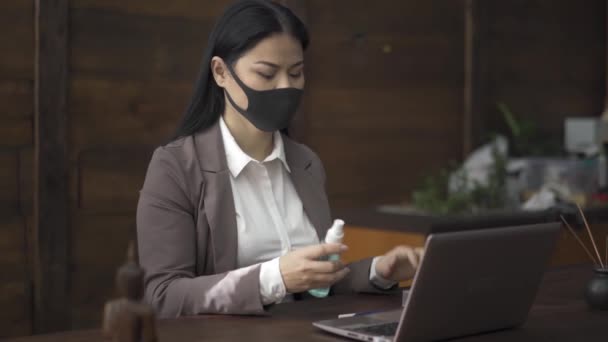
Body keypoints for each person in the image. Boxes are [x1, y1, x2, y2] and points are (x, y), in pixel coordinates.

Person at [136, 0, 423, 318]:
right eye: (267, 73)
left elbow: (317, 286)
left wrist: (377, 271)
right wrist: (274, 278)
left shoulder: (306, 163)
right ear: (220, 72)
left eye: (296, 72)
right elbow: (164, 297)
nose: (285, 87)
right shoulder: (176, 168)